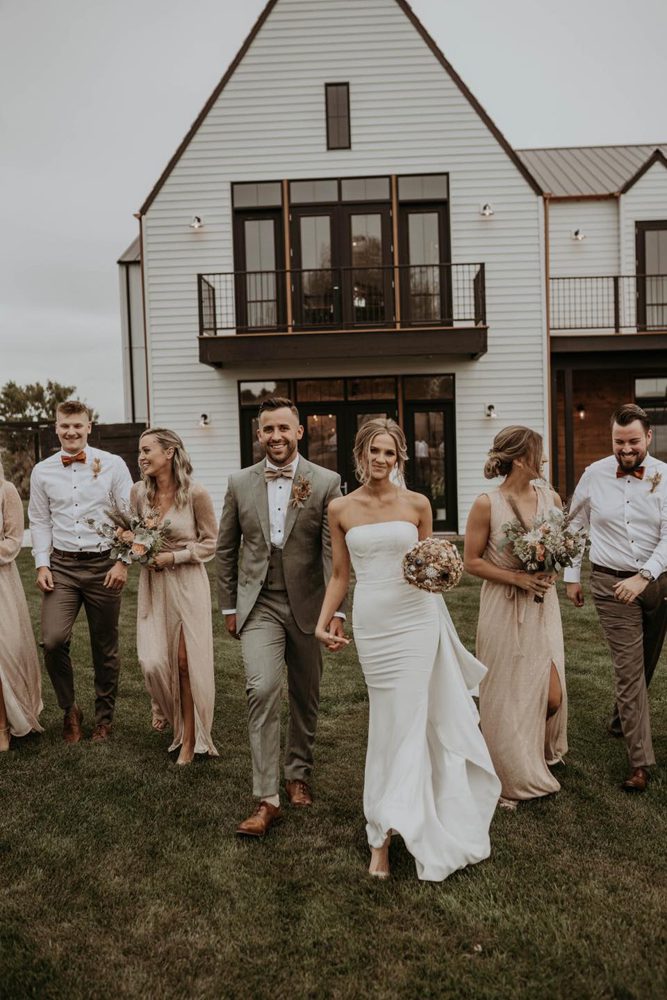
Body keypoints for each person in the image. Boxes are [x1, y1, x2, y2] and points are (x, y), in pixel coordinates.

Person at [315, 418, 500, 881]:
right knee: (388, 722)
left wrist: (445, 574)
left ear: (400, 458)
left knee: (412, 720)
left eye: (390, 454)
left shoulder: (418, 505)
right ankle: (382, 826)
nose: (381, 460)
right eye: (374, 452)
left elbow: (429, 565)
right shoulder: (340, 508)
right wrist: (323, 622)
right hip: (374, 622)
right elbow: (341, 575)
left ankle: (389, 829)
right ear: (360, 455)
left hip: (417, 619)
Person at [216, 396, 345, 837]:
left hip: (310, 606)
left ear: (299, 432)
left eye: (283, 429)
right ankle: (266, 797)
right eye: (268, 429)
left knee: (305, 694)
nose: (276, 437)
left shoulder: (326, 483)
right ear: (259, 434)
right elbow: (226, 549)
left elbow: (334, 555)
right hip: (260, 606)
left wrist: (335, 611)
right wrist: (230, 606)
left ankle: (297, 773)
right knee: (262, 687)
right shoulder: (238, 483)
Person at [565, 403, 667, 793]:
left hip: (658, 583)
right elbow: (574, 525)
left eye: (633, 442)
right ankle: (640, 762)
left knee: (645, 664)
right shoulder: (594, 474)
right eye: (618, 442)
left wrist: (645, 576)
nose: (625, 450)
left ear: (649, 438)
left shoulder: (663, 476)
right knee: (629, 670)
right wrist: (571, 576)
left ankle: (621, 718)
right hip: (611, 586)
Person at [464, 426, 567, 809]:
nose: (543, 460)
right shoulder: (487, 503)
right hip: (503, 605)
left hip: (543, 607)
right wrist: (518, 578)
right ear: (521, 458)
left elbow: (559, 545)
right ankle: (507, 772)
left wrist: (552, 566)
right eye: (538, 453)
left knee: (551, 695)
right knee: (505, 695)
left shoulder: (550, 498)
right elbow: (471, 561)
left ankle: (531, 754)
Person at [29, 400, 132, 743]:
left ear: (89, 426)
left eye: (77, 425)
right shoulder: (42, 471)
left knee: (106, 646)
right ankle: (70, 710)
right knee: (53, 640)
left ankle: (104, 719)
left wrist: (122, 562)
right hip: (62, 567)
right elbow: (40, 520)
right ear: (55, 428)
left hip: (104, 565)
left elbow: (128, 517)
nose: (71, 431)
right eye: (64, 426)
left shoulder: (113, 465)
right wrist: (42, 563)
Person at [132, 428, 218, 765]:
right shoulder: (141, 493)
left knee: (185, 663)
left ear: (169, 453)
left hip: (187, 582)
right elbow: (141, 534)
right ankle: (165, 710)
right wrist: (136, 550)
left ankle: (190, 737)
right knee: (152, 660)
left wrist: (174, 557)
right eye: (140, 450)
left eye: (147, 450)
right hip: (154, 585)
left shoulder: (195, 494)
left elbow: (211, 542)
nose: (141, 456)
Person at [0, 460, 44, 749]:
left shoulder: (6, 491)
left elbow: (13, 541)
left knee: (5, 654)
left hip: (1, 581)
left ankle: (3, 726)